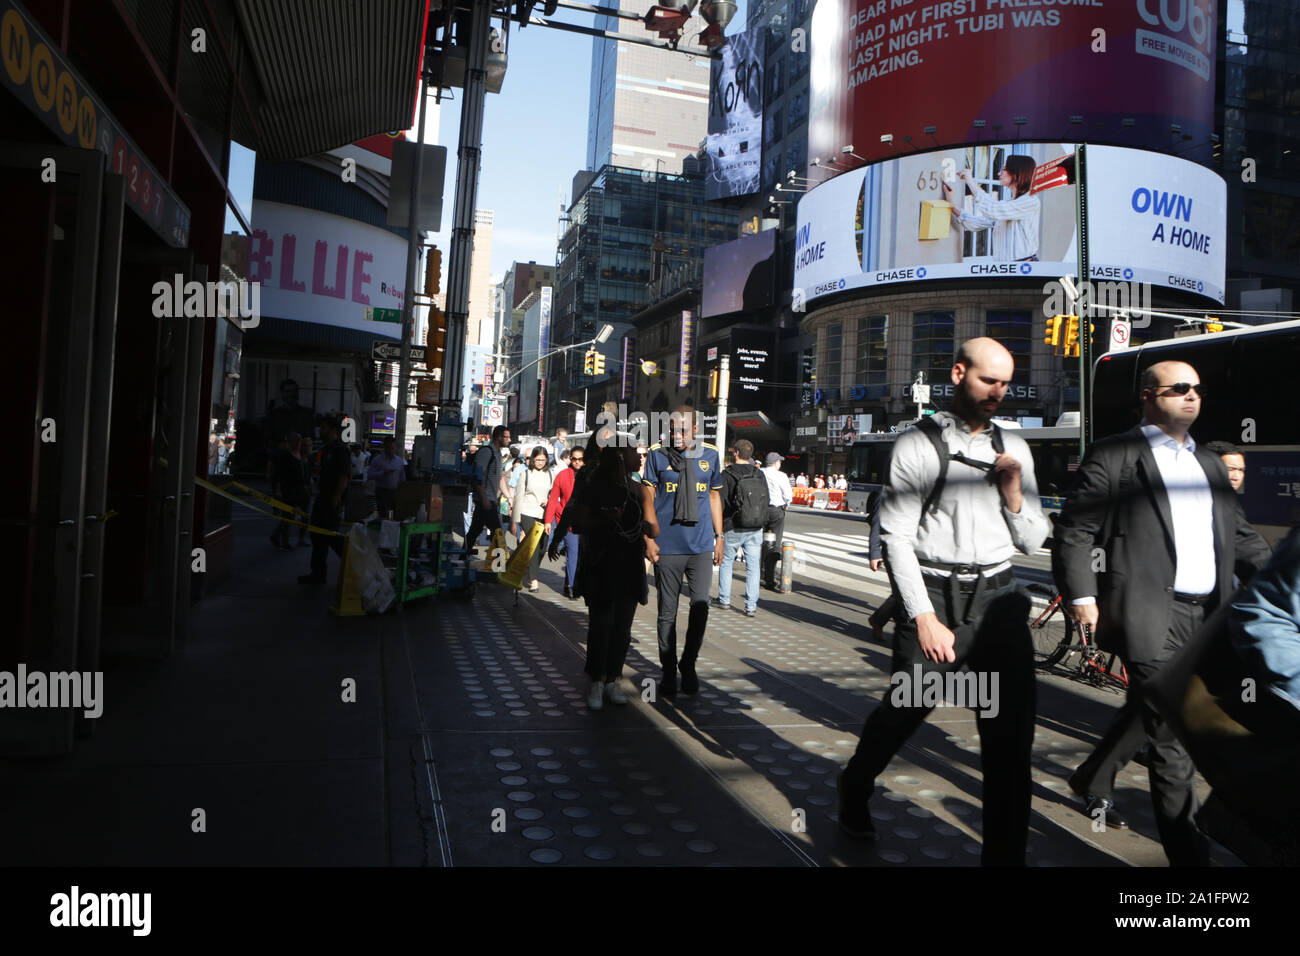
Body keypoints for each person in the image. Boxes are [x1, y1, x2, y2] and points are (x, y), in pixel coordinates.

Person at [837, 338, 1050, 866]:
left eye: (1005, 382)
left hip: (999, 600)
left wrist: (1016, 495)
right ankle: (855, 785)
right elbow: (896, 538)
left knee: (1009, 742)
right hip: (935, 596)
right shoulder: (916, 445)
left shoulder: (1014, 447)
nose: (998, 392)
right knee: (904, 712)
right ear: (958, 373)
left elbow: (1032, 541)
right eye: (987, 380)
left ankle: (1005, 859)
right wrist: (924, 618)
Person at [1053, 360, 1271, 865]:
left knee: (1165, 714)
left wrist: (1284, 585)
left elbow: (1241, 538)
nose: (1192, 396)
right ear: (1150, 396)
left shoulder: (1211, 464)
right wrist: (1083, 596)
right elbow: (1077, 529)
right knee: (1174, 739)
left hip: (1209, 617)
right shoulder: (1117, 454)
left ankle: (1093, 775)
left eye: (1197, 388)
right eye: (1179, 389)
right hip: (1149, 614)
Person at [642, 406, 725, 697]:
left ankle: (688, 666)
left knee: (700, 607)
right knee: (667, 612)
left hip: (701, 546)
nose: (676, 435)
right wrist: (649, 536)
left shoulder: (711, 455)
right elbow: (648, 495)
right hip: (668, 546)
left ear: (696, 430)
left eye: (683, 430)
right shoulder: (657, 454)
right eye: (672, 429)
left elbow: (714, 496)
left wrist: (719, 536)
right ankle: (667, 671)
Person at [572, 443, 659, 709]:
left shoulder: (639, 490)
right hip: (602, 563)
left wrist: (647, 527)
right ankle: (597, 680)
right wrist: (605, 518)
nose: (640, 458)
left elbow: (654, 529)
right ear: (621, 457)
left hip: (629, 564)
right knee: (602, 624)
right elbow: (579, 523)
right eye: (636, 453)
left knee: (622, 626)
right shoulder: (595, 488)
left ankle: (613, 679)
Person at [944, 156, 1041, 262]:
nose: (999, 173)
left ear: (1016, 173)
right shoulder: (1009, 205)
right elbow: (976, 223)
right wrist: (951, 204)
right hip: (1004, 270)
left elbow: (993, 210)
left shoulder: (1030, 202)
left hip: (1023, 270)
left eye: (1004, 169)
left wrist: (970, 182)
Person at [715, 439, 769, 617]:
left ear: (736, 453)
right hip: (755, 526)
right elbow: (765, 500)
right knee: (753, 567)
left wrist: (718, 530)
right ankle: (751, 606)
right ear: (750, 455)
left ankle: (724, 599)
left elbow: (721, 502)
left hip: (733, 525)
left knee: (727, 562)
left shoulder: (727, 474)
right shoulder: (758, 473)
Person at [298, 418, 351, 587]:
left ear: (333, 430)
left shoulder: (340, 450)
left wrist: (337, 495)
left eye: (323, 427)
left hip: (332, 498)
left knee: (331, 535)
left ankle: (355, 565)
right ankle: (318, 574)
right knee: (316, 535)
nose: (320, 430)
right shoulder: (324, 450)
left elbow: (344, 475)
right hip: (322, 497)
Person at [511, 446, 554, 592]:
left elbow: (554, 495)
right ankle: (534, 579)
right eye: (537, 459)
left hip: (544, 515)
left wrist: (548, 501)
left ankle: (528, 570)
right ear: (532, 459)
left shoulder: (550, 474)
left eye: (543, 459)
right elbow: (518, 497)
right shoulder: (526, 474)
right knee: (534, 546)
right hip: (527, 512)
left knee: (542, 548)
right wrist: (515, 521)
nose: (540, 462)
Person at [544, 445, 585, 599]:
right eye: (574, 459)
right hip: (567, 522)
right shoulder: (562, 475)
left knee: (581, 555)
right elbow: (553, 499)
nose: (577, 462)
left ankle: (570, 582)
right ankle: (572, 586)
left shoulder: (591, 476)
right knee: (573, 552)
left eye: (580, 459)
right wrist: (548, 521)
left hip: (586, 523)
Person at [465, 425, 512, 554]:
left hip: (490, 500)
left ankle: (463, 555)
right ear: (498, 437)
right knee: (498, 533)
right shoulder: (487, 452)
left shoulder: (498, 453)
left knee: (475, 530)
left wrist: (508, 496)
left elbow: (500, 476)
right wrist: (484, 499)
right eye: (506, 437)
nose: (509, 439)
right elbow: (477, 477)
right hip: (485, 500)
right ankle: (499, 566)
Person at [268, 432, 307, 551]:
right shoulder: (286, 456)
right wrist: (278, 490)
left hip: (299, 489)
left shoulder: (300, 454)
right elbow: (279, 474)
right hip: (288, 489)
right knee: (288, 515)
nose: (300, 444)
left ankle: (277, 536)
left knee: (291, 515)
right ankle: (284, 541)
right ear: (294, 443)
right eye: (298, 442)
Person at [760, 452, 793, 591]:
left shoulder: (759, 472)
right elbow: (788, 495)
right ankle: (769, 577)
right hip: (776, 511)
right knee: (774, 544)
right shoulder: (781, 476)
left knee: (759, 542)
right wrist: (786, 504)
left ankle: (758, 573)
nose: (781, 463)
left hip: (760, 510)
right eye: (779, 461)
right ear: (775, 463)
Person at [367, 437, 405, 519]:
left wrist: (402, 490)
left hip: (395, 492)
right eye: (388, 448)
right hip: (381, 491)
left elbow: (402, 478)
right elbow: (369, 475)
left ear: (395, 447)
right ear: (384, 447)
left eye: (392, 448)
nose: (390, 450)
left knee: (395, 514)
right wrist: (382, 473)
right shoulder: (377, 460)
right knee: (383, 514)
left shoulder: (399, 461)